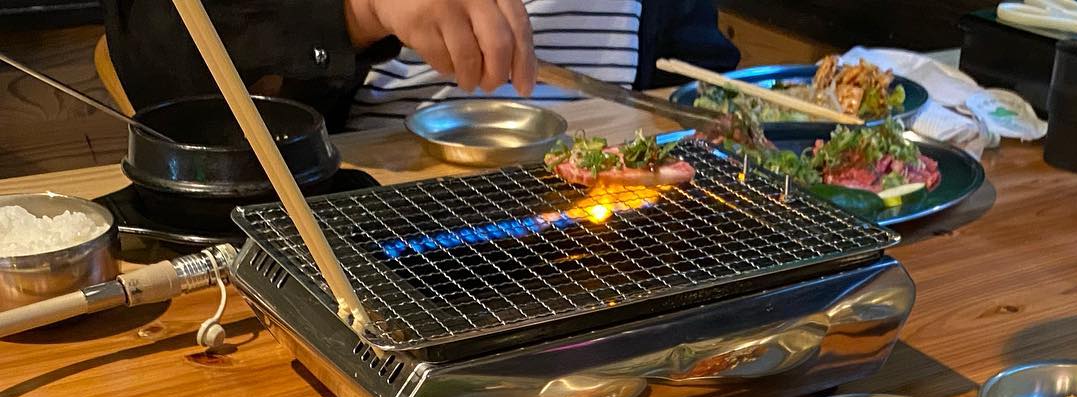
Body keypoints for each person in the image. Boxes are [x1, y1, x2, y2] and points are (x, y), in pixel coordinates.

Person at [103, 0, 737, 130]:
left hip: (612, 225)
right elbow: (157, 47)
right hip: (380, 225)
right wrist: (360, 10)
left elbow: (692, 81)